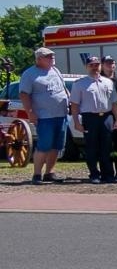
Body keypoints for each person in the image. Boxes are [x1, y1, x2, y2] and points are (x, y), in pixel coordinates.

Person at [18, 46, 72, 185]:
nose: (52, 58)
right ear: (39, 59)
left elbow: (63, 87)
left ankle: (49, 172)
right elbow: (24, 94)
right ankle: (37, 174)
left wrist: (68, 98)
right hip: (44, 116)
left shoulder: (55, 70)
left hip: (61, 114)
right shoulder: (30, 74)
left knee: (56, 145)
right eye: (48, 56)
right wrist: (30, 112)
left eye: (52, 56)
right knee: (44, 145)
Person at [68, 54, 117, 184]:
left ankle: (108, 174)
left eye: (97, 65)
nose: (94, 67)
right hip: (90, 118)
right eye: (91, 65)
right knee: (91, 147)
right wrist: (76, 122)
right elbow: (74, 105)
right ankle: (94, 174)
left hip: (106, 117)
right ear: (86, 67)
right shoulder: (79, 84)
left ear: (100, 66)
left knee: (107, 147)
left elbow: (114, 103)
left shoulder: (108, 82)